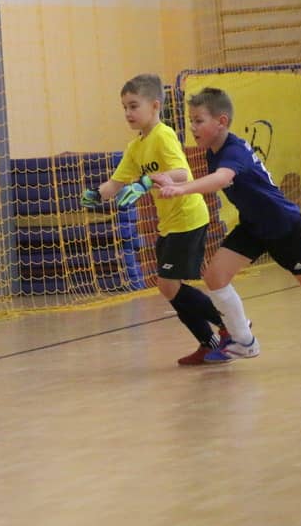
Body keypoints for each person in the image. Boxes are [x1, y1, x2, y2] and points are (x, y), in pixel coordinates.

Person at [158, 87, 301, 364]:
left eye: (199, 121)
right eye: (190, 120)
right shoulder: (214, 151)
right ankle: (244, 342)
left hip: (283, 226)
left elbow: (221, 179)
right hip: (254, 225)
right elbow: (214, 178)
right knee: (215, 277)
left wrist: (182, 190)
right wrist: (172, 181)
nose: (192, 127)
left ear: (222, 122)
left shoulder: (233, 151)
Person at [80, 73, 229, 366]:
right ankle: (209, 343)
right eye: (124, 107)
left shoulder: (163, 135)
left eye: (134, 106)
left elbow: (182, 174)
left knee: (168, 284)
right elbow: (116, 183)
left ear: (155, 105)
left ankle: (231, 325)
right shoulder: (136, 147)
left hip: (188, 217)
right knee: (168, 287)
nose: (128, 113)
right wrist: (96, 194)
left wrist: (147, 181)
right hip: (169, 224)